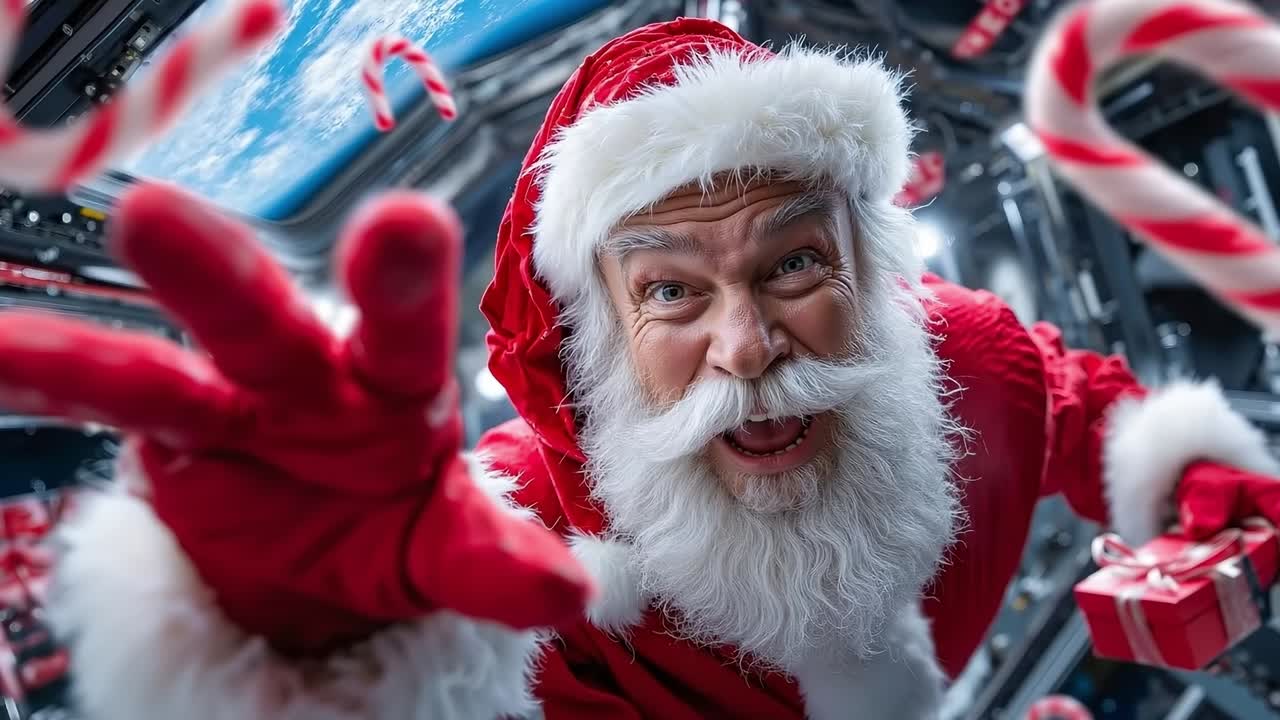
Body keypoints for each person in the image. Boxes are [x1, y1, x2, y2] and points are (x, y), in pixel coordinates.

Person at [1, 17, 1278, 720]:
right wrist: (309, 651)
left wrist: (1195, 489)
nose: (746, 346)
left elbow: (1082, 410)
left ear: (869, 266)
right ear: (590, 333)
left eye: (792, 264)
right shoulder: (516, 540)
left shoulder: (968, 358)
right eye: (669, 290)